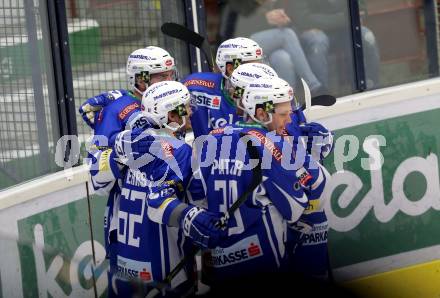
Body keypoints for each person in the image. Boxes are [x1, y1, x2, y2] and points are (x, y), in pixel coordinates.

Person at [92, 81, 227, 297]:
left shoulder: (130, 143)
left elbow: (97, 180)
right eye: (186, 107)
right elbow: (167, 204)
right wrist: (193, 215)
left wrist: (118, 147)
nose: (192, 111)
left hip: (123, 269)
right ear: (172, 115)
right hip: (165, 274)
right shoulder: (178, 150)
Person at [194, 76, 327, 287]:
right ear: (261, 113)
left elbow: (196, 195)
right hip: (261, 254)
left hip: (221, 261)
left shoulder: (212, 138)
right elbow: (295, 208)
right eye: (283, 114)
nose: (290, 121)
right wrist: (314, 157)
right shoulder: (271, 145)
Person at [80, 46, 177, 274]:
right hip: (131, 214)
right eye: (162, 76)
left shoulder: (173, 100)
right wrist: (123, 154)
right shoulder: (116, 110)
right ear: (140, 80)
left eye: (171, 74)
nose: (169, 80)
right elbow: (97, 178)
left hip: (169, 209)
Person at [214, 0, 324, 95]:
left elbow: (291, 22)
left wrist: (283, 21)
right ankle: (313, 85)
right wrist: (266, 18)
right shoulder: (240, 3)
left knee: (282, 57)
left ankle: (288, 101)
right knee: (286, 34)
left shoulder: (275, 3)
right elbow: (236, 29)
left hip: (267, 47)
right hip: (238, 45)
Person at [182, 37, 265, 138]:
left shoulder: (268, 93)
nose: (261, 71)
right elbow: (173, 120)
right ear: (230, 68)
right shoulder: (193, 86)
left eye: (261, 65)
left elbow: (283, 124)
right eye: (253, 67)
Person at [289, 0, 380, 90]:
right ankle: (321, 95)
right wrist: (345, 18)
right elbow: (303, 19)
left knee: (366, 37)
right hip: (314, 30)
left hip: (345, 28)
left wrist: (354, 15)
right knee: (317, 43)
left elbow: (360, 8)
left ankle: (369, 88)